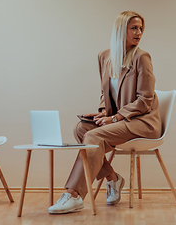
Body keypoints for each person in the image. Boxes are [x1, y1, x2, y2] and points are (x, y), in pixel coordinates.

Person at [49, 11, 162, 214]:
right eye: (134, 28)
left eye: (141, 28)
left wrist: (116, 117)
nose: (139, 33)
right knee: (82, 128)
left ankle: (73, 194)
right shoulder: (104, 57)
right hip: (119, 119)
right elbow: (106, 93)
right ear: (121, 30)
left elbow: (146, 99)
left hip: (142, 121)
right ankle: (113, 178)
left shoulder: (142, 57)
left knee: (93, 135)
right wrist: (102, 112)